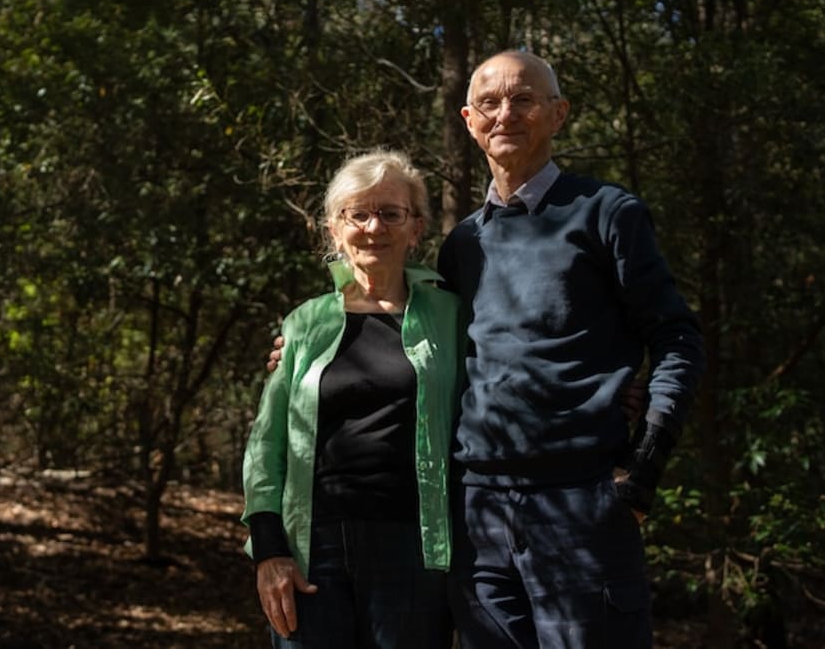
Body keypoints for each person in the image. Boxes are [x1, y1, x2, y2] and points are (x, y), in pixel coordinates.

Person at [438, 50, 705, 648]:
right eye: (489, 102)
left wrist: (642, 471)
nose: (505, 113)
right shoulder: (462, 243)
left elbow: (677, 338)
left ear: (558, 115)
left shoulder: (608, 213)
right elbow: (432, 351)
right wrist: (306, 352)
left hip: (582, 506)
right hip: (477, 512)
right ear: (468, 119)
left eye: (524, 99)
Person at [241, 149, 459, 649]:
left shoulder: (452, 316)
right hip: (310, 549)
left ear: (416, 227)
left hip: (417, 550)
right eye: (356, 214)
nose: (373, 227)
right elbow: (266, 445)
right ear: (335, 231)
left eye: (390, 213)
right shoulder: (305, 322)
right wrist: (269, 551)